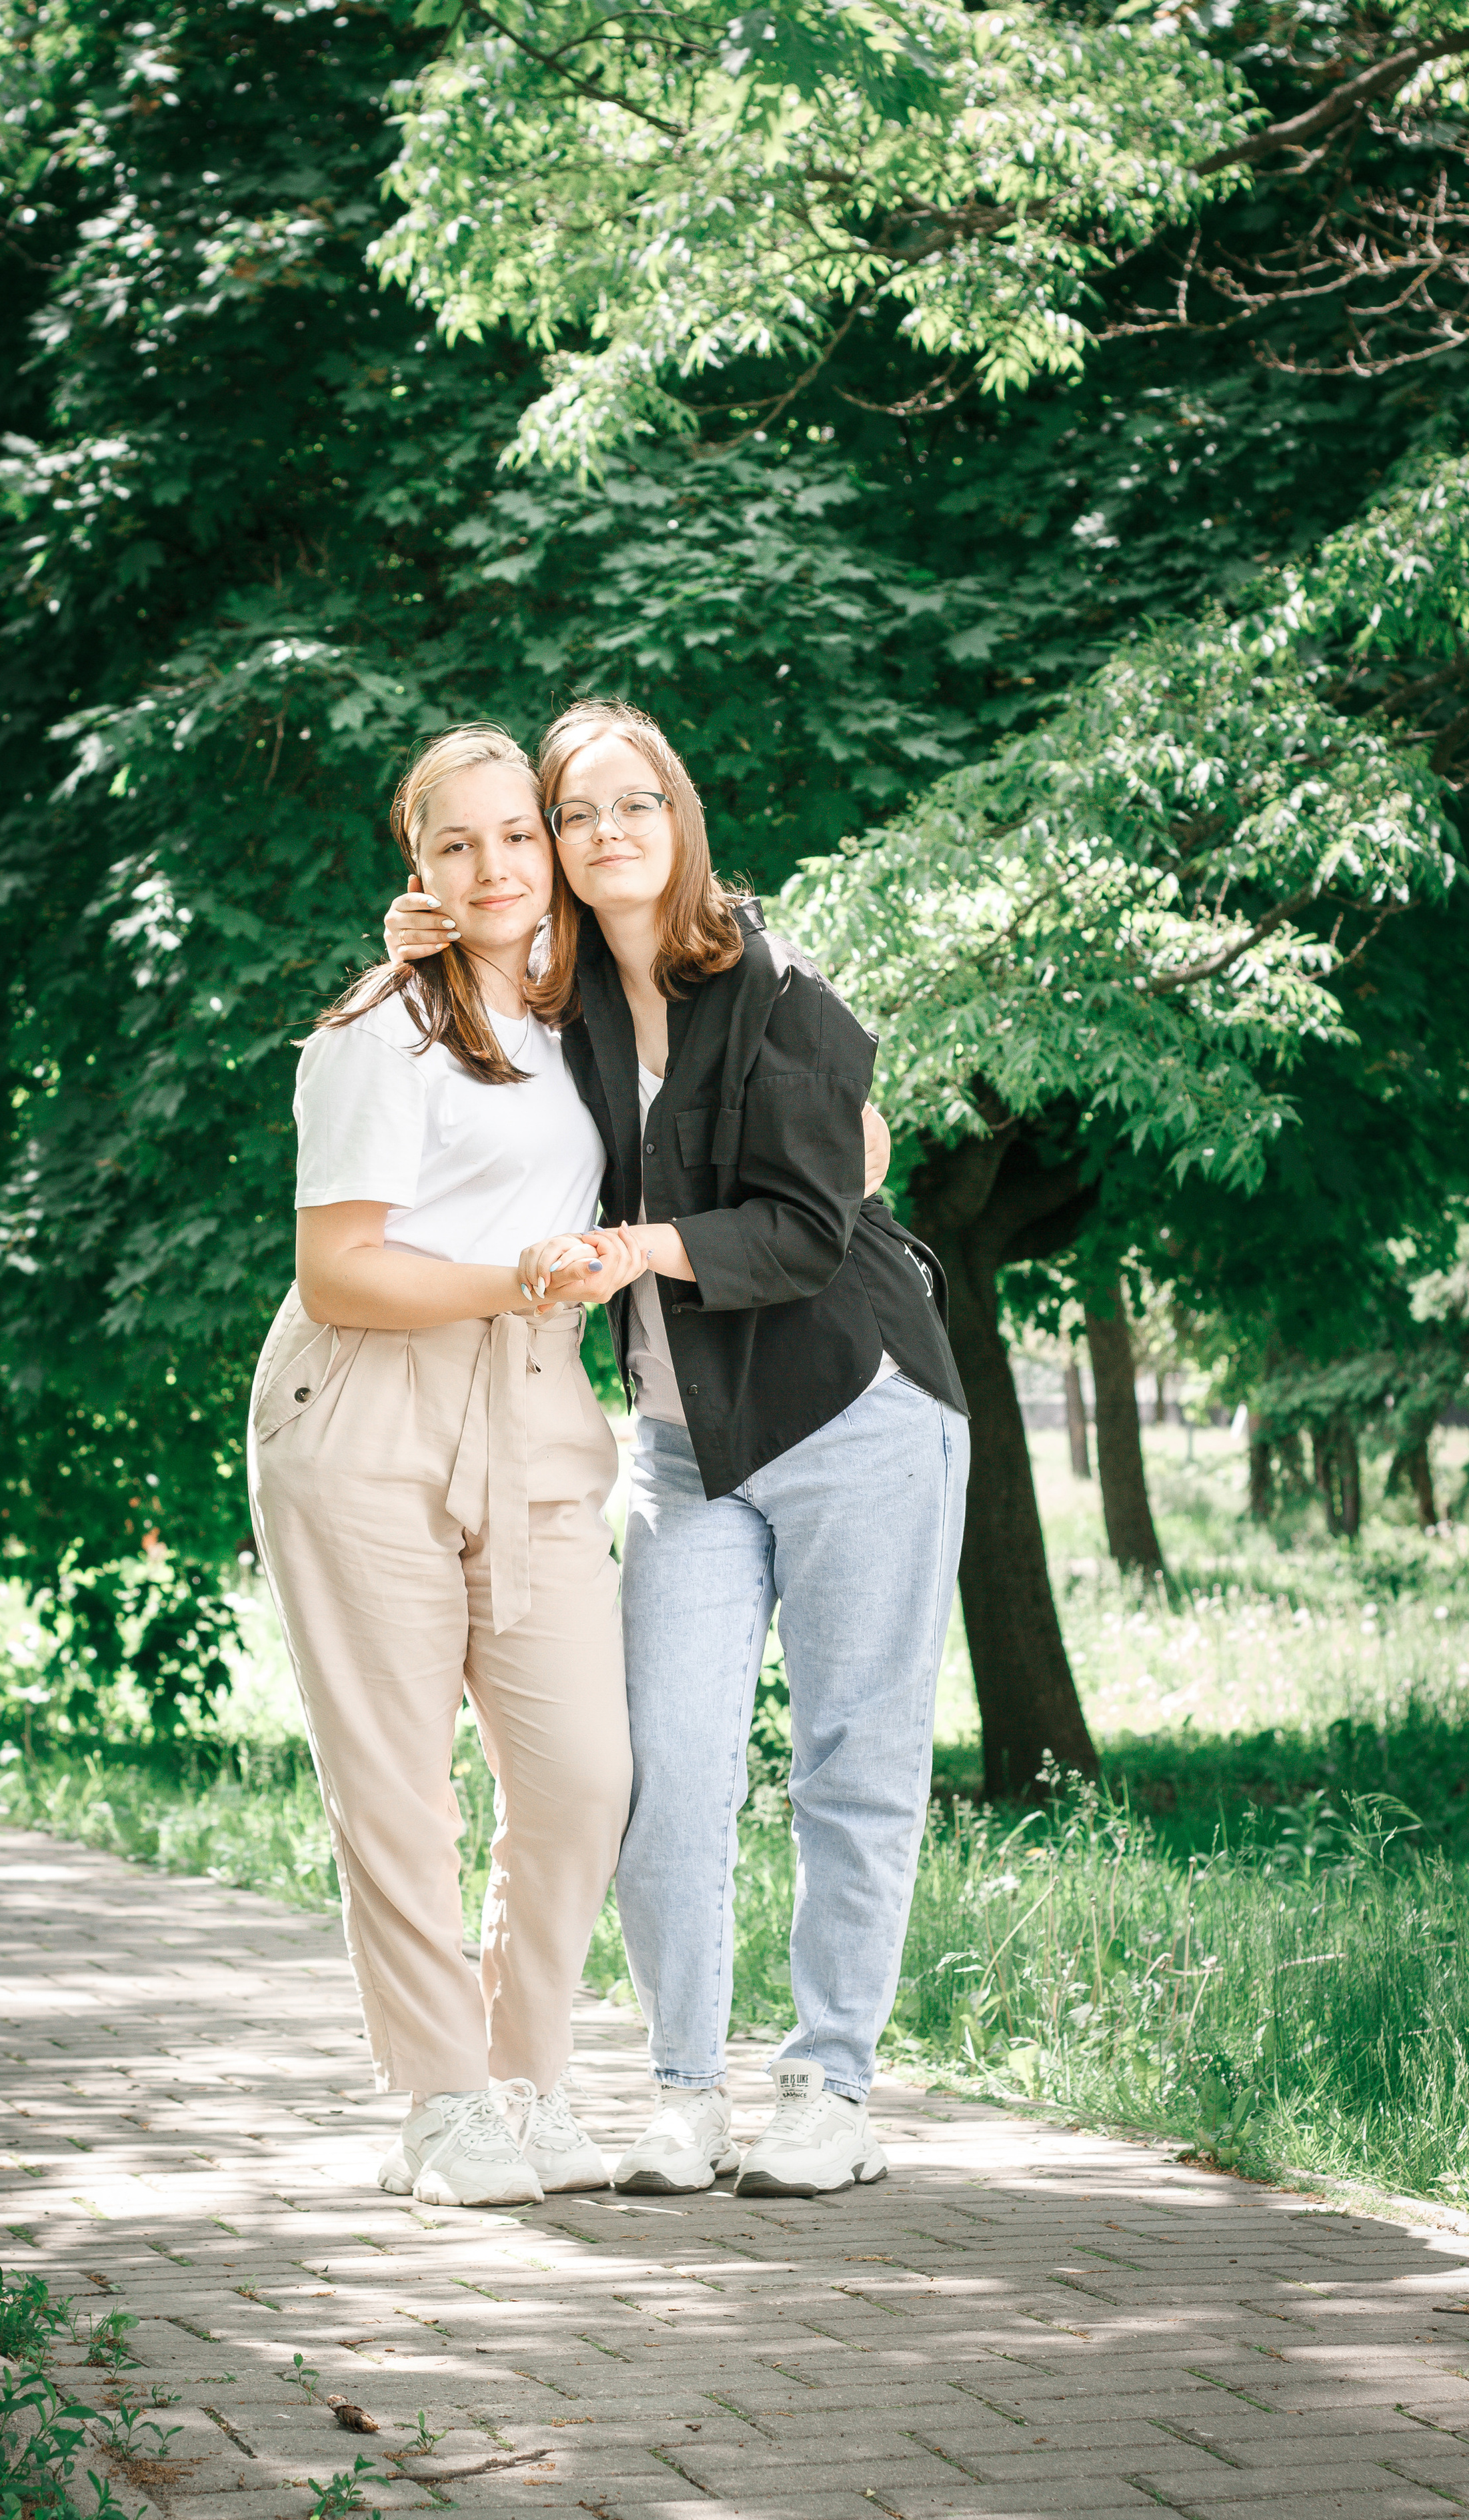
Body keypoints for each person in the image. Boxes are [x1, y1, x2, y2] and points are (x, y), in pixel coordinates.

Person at [386, 700, 970, 2198]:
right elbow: (459, 974)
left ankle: (831, 2092)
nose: (599, 835)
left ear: (678, 812)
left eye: (628, 803)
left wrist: (637, 1243)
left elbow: (803, 1221)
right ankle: (683, 2094)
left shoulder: (778, 987)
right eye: (572, 814)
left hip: (855, 1408)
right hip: (679, 1440)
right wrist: (419, 927)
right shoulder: (556, 994)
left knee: (853, 1758)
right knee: (665, 1768)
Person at [247, 723, 649, 2211]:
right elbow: (342, 1270)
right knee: (400, 1787)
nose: (491, 868)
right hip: (365, 1412)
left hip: (534, 1407)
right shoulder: (377, 1033)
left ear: (552, 850)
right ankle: (440, 2105)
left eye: (514, 837)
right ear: (414, 870)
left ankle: (527, 2079)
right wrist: (518, 1280)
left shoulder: (584, 1004)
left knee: (580, 1777)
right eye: (453, 844)